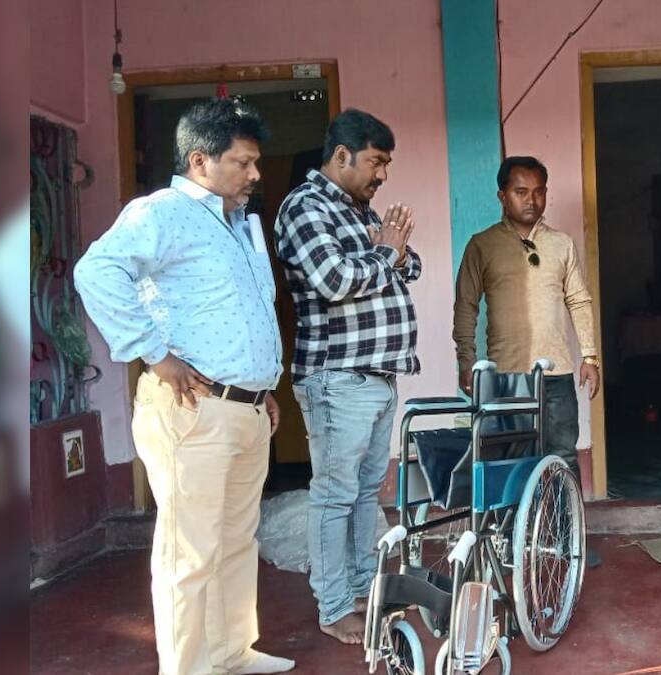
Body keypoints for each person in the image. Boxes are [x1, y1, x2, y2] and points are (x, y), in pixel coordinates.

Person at [75, 98, 293, 675]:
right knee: (189, 552)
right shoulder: (163, 212)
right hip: (192, 408)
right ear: (200, 160)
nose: (255, 174)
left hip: (242, 408)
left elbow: (240, 312)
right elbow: (95, 271)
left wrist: (261, 383)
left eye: (255, 162)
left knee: (235, 540)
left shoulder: (235, 222)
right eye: (243, 163)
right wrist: (153, 352)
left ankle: (231, 652)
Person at [274, 109, 422, 645]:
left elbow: (412, 264)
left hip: (375, 375)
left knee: (363, 492)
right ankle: (334, 606)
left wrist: (389, 252)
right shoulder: (305, 207)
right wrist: (387, 251)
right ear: (342, 155)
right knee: (334, 495)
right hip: (337, 376)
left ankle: (362, 589)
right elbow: (335, 279)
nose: (382, 175)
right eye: (376, 162)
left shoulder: (359, 210)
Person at [452, 156, 601, 566]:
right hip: (505, 377)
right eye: (521, 192)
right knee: (508, 459)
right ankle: (508, 541)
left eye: (538, 191)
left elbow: (579, 299)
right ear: (502, 196)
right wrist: (466, 359)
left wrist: (589, 355)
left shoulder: (561, 244)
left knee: (562, 455)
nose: (531, 200)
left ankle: (567, 540)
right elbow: (465, 307)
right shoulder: (482, 245)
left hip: (556, 374)